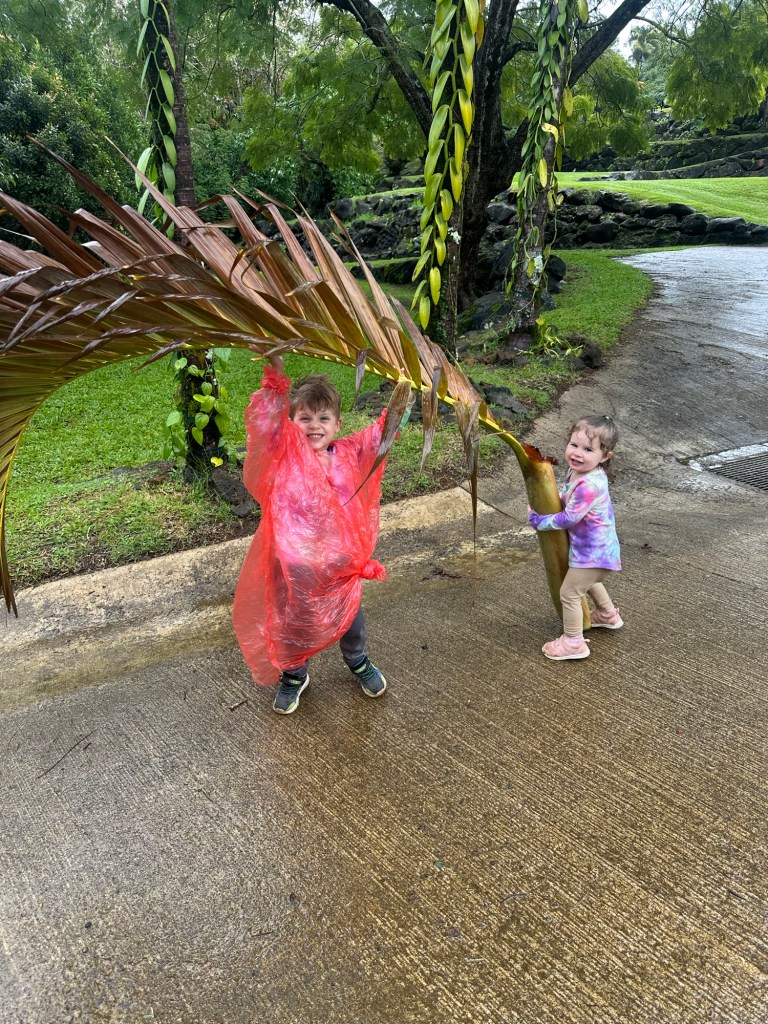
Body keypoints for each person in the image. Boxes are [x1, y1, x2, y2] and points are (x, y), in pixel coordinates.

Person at [232, 353, 391, 714]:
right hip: (294, 571)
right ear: (291, 423)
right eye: (304, 418)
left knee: (350, 619)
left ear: (337, 424)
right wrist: (275, 375)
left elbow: (382, 434)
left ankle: (358, 661)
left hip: (338, 569)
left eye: (323, 418)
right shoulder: (283, 455)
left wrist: (404, 394)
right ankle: (294, 675)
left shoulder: (349, 453)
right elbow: (264, 425)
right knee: (292, 626)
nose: (314, 425)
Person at [527, 415, 622, 661]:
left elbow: (569, 518)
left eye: (588, 450)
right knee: (587, 582)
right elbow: (566, 498)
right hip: (594, 550)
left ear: (605, 456)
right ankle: (608, 615)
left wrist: (539, 520)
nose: (578, 453)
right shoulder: (577, 472)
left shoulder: (589, 485)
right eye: (574, 445)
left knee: (569, 593)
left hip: (594, 552)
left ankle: (573, 643)